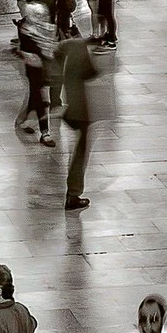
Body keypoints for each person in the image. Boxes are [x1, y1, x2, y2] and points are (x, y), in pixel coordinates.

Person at [57, 28, 104, 209]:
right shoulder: (79, 48)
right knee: (80, 150)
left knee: (78, 149)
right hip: (80, 110)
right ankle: (73, 194)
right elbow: (91, 73)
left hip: (74, 107)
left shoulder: (69, 47)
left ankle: (74, 192)